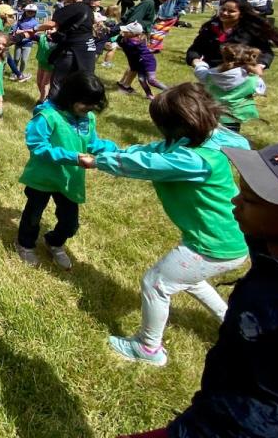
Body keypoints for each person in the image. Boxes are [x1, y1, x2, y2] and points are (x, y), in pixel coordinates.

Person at [121, 138, 278, 438]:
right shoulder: (272, 248)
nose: (235, 201)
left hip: (242, 428)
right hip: (213, 408)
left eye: (251, 200)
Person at [93, 84, 250, 368]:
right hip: (227, 239)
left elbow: (148, 165)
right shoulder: (208, 139)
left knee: (156, 282)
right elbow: (158, 149)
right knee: (187, 279)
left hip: (214, 245)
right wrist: (123, 149)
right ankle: (231, 322)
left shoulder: (194, 160)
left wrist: (99, 160)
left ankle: (148, 348)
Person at [15, 72, 116, 270]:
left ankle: (54, 241)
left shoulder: (88, 117)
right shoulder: (47, 116)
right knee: (33, 215)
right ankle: (25, 245)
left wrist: (115, 150)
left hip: (69, 179)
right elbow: (37, 146)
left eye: (93, 105)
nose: (89, 109)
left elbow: (91, 143)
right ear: (70, 96)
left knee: (70, 223)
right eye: (85, 104)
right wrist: (74, 157)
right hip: (42, 178)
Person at [186, 0, 278, 72]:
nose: (225, 13)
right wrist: (195, 61)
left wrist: (259, 66)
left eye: (231, 11)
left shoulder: (250, 31)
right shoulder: (210, 28)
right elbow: (195, 49)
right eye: (223, 9)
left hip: (240, 75)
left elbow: (266, 53)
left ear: (241, 14)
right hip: (212, 73)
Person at [35, 0, 96, 98]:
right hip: (88, 50)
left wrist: (35, 28)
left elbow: (52, 24)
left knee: (58, 83)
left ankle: (53, 108)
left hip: (72, 51)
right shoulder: (88, 9)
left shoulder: (71, 8)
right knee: (82, 82)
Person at [193, 44, 266, 133]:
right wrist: (257, 72)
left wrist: (200, 63)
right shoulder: (253, 80)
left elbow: (199, 71)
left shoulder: (210, 75)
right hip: (234, 118)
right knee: (229, 140)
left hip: (211, 114)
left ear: (225, 57)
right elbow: (261, 90)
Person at [116, 22, 168, 99]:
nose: (123, 32)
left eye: (126, 31)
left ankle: (169, 90)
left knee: (151, 80)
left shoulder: (134, 42)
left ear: (133, 34)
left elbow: (124, 45)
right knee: (141, 79)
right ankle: (149, 94)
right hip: (139, 63)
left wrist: (120, 39)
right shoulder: (129, 38)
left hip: (148, 62)